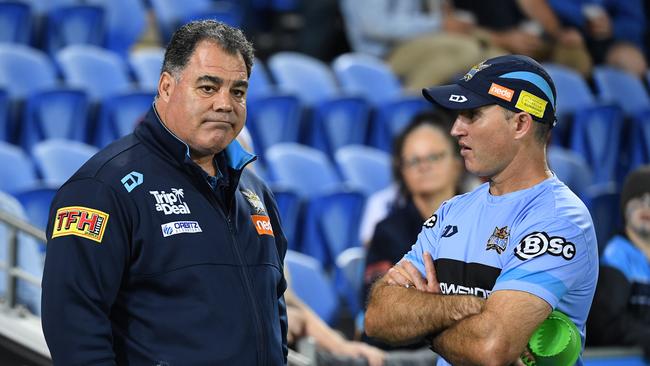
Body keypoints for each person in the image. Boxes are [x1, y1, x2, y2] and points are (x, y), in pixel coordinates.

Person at [41, 20, 288, 365]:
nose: (225, 104)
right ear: (167, 86)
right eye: (208, 87)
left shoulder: (255, 193)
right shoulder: (102, 188)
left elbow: (273, 313)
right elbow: (74, 330)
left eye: (238, 91)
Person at [364, 54, 599, 365]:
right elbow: (378, 316)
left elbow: (490, 349)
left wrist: (425, 318)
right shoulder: (453, 211)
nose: (456, 129)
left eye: (472, 115)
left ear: (520, 123)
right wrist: (456, 309)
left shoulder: (560, 220)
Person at [363, 112, 464, 334]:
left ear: (457, 164)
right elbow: (379, 307)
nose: (424, 167)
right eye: (414, 160)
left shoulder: (481, 219)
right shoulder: (387, 231)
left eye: (434, 157)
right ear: (402, 172)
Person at [587, 165, 650, 356]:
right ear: (625, 208)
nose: (646, 206)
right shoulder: (616, 256)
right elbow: (607, 324)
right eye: (638, 199)